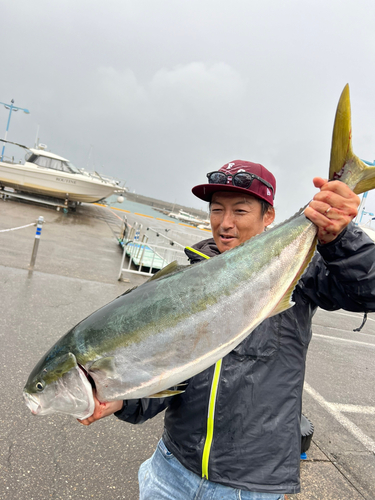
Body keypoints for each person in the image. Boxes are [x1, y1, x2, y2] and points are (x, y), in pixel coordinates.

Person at [78, 160, 375, 499]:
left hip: (249, 487)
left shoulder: (302, 274)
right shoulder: (187, 279)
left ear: (268, 217)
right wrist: (121, 400)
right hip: (171, 470)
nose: (225, 223)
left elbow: (368, 290)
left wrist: (340, 237)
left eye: (241, 210)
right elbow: (169, 366)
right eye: (216, 209)